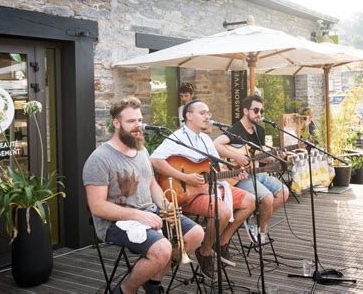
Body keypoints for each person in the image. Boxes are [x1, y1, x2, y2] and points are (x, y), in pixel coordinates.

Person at [83, 97, 204, 294]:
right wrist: (139, 215)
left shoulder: (141, 150)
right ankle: (125, 289)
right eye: (131, 121)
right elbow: (97, 206)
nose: (137, 126)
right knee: (163, 248)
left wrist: (165, 206)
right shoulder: (99, 159)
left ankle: (153, 280)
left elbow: (151, 183)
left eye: (139, 120)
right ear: (116, 123)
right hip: (115, 223)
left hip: (150, 212)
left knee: (196, 234)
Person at [151, 99, 255, 280]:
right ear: (188, 116)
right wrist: (185, 177)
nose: (207, 117)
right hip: (186, 193)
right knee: (222, 210)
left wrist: (235, 174)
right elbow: (155, 160)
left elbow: (215, 169)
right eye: (202, 113)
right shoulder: (177, 137)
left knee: (250, 200)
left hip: (209, 187)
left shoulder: (206, 139)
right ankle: (205, 251)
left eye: (208, 113)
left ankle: (221, 241)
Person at [213, 95, 289, 245]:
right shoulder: (236, 129)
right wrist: (237, 157)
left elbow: (260, 157)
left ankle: (255, 220)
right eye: (256, 110)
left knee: (283, 192)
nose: (259, 114)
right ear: (246, 111)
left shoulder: (259, 130)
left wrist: (276, 156)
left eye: (261, 111)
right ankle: (261, 229)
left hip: (256, 172)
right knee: (267, 198)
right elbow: (215, 144)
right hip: (239, 176)